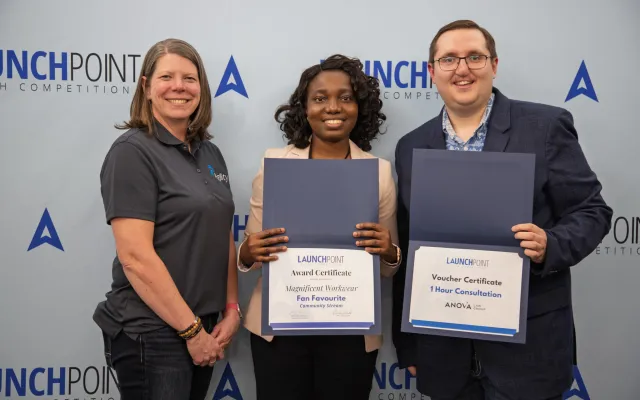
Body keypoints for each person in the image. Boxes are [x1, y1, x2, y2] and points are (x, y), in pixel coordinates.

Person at [392, 20, 613, 400]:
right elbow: (412, 246)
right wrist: (409, 344)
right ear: (431, 72)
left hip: (528, 355)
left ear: (494, 64)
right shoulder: (411, 147)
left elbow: (592, 211)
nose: (462, 68)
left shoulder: (545, 127)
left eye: (474, 57)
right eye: (448, 59)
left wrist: (550, 244)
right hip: (445, 357)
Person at [237, 54, 401, 400]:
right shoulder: (275, 165)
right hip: (279, 331)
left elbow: (388, 267)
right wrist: (247, 251)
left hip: (351, 332)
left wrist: (388, 250)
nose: (333, 107)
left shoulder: (379, 171)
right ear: (305, 107)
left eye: (346, 97)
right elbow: (250, 251)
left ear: (360, 107)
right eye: (320, 98)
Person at [93, 38, 241, 400]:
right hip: (153, 331)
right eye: (166, 77)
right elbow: (136, 257)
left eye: (189, 78)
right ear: (146, 87)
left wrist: (232, 308)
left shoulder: (210, 152)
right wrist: (192, 332)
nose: (179, 87)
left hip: (205, 325)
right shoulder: (132, 152)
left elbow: (223, 235)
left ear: (201, 89)